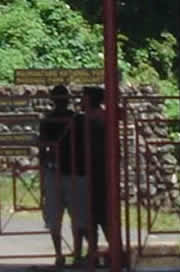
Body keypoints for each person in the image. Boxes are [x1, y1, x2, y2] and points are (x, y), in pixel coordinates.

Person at [38, 85, 89, 267]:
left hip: (55, 171)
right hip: (76, 171)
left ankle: (60, 254)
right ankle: (76, 254)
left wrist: (42, 173)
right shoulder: (78, 120)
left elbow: (42, 149)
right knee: (78, 216)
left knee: (54, 217)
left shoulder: (47, 121)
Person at [81, 87, 117, 268]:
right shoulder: (101, 118)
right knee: (96, 214)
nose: (81, 101)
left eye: (84, 98)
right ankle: (100, 252)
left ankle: (102, 253)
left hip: (96, 171)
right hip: (97, 171)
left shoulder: (94, 120)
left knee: (97, 214)